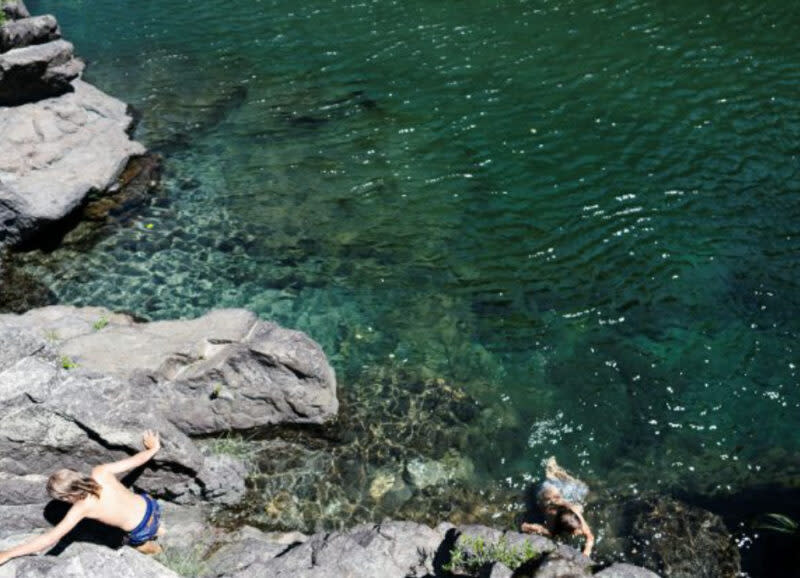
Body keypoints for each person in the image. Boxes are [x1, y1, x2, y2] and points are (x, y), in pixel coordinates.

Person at [0, 430, 166, 567]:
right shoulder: (100, 472)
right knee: (148, 519)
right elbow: (134, 461)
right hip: (151, 506)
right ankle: (160, 529)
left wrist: (8, 553)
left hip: (141, 530)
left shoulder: (81, 508)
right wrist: (152, 449)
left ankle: (159, 551)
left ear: (66, 496)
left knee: (141, 545)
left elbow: (49, 539)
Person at [521, 456, 595, 557]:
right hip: (544, 490)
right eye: (576, 531)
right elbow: (524, 526)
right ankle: (551, 468)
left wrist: (586, 552)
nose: (580, 532)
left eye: (578, 529)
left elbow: (590, 536)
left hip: (556, 493)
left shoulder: (575, 514)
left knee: (583, 489)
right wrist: (539, 530)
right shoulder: (552, 526)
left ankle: (552, 467)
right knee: (550, 482)